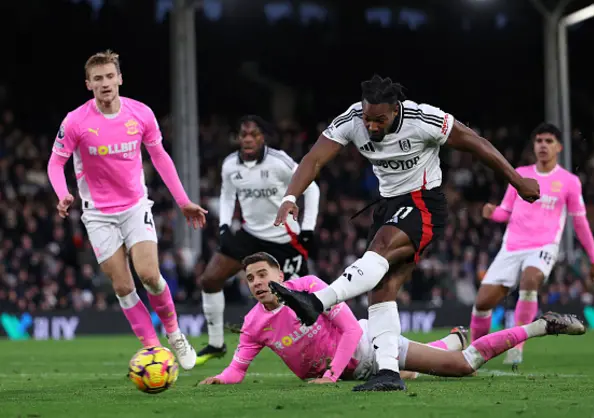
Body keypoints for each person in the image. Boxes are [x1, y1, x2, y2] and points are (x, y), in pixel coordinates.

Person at [267, 74, 540, 391]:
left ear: (396, 110)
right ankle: (388, 373)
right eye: (368, 119)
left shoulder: (423, 119)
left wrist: (517, 181)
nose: (371, 126)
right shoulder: (353, 119)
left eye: (379, 120)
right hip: (387, 205)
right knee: (382, 290)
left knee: (380, 249)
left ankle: (316, 302)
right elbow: (314, 159)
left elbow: (477, 144)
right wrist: (289, 197)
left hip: (424, 202)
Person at [198, 252, 586, 385]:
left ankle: (541, 325)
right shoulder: (253, 323)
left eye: (263, 275)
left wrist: (330, 377)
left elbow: (350, 329)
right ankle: (453, 338)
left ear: (280, 276)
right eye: (250, 279)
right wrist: (220, 379)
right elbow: (237, 370)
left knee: (461, 368)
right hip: (353, 372)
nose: (257, 283)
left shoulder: (311, 287)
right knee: (418, 367)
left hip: (368, 348)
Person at [46, 50, 207, 370]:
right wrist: (63, 194)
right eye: (98, 79)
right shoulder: (75, 121)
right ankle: (153, 348)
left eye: (109, 76)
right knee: (121, 285)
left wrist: (183, 201)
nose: (105, 83)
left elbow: (160, 157)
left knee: (149, 274)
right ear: (88, 84)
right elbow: (56, 162)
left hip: (135, 206)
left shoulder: (141, 114)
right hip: (97, 213)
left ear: (120, 78)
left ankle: (174, 334)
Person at [471, 123, 594, 367]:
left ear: (559, 147)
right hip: (511, 247)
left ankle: (517, 346)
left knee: (530, 279)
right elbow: (506, 212)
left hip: (543, 246)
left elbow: (581, 223)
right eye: (539, 140)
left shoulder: (569, 181)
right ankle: (475, 354)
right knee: (482, 303)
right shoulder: (519, 174)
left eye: (549, 141)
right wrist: (492, 212)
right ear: (534, 146)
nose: (543, 145)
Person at [196, 116, 320, 366]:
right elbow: (227, 195)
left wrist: (307, 228)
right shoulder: (230, 164)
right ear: (238, 138)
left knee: (303, 299)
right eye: (244, 135)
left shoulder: (279, 161)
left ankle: (324, 348)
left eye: (254, 134)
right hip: (250, 235)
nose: (249, 139)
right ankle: (217, 343)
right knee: (209, 280)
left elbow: (312, 187)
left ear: (263, 137)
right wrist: (223, 226)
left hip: (284, 238)